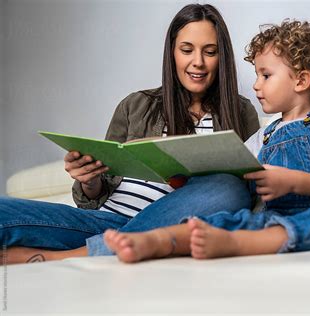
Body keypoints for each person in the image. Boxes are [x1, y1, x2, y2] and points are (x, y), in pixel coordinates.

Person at [0, 4, 260, 264]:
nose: (198, 62)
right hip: (100, 222)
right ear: (172, 53)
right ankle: (105, 247)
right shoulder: (136, 105)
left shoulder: (240, 113)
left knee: (230, 188)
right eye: (186, 50)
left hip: (166, 228)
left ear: (221, 56)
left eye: (210, 52)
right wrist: (90, 181)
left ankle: (69, 256)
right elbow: (95, 196)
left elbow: (251, 192)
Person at [103, 19, 310, 263]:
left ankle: (238, 242)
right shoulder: (263, 136)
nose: (256, 85)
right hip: (270, 219)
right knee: (222, 219)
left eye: (265, 75)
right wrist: (181, 169)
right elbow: (229, 175)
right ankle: (159, 240)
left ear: (301, 80)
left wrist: (292, 181)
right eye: (257, 75)